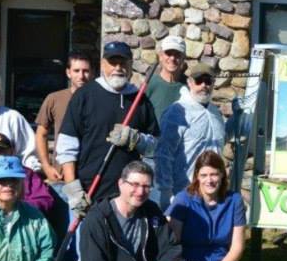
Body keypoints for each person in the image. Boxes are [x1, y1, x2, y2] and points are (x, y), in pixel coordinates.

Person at [56, 41, 160, 214]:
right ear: (103, 64)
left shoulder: (139, 99)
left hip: (128, 196)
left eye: (123, 62)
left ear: (131, 65)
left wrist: (136, 139)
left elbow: (155, 146)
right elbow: (67, 146)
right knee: (87, 241)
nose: (118, 68)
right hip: (89, 194)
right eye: (113, 62)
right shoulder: (85, 95)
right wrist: (73, 191)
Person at [154, 62, 225, 209]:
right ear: (190, 83)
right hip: (184, 195)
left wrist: (238, 117)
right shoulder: (177, 112)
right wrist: (166, 192)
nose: (204, 85)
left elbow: (221, 140)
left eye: (208, 81)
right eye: (199, 81)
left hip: (212, 193)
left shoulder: (215, 113)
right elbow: (163, 154)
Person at [35, 51, 93, 188]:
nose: (81, 76)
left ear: (92, 73)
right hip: (60, 175)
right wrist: (46, 166)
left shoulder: (99, 101)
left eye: (85, 71)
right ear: (68, 73)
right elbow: (41, 134)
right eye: (76, 71)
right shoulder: (54, 99)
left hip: (90, 175)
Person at [146, 35, 188, 121]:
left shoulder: (190, 86)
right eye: (168, 53)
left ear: (183, 58)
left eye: (177, 55)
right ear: (161, 56)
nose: (172, 58)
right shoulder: (150, 84)